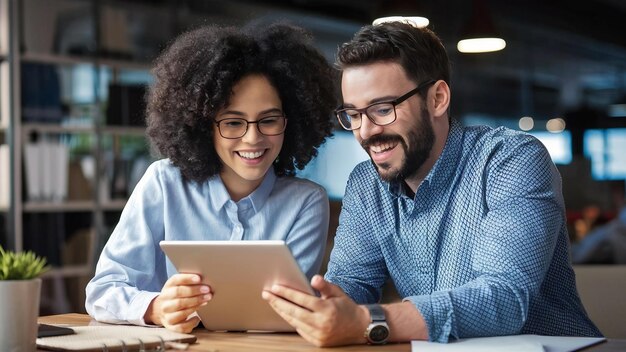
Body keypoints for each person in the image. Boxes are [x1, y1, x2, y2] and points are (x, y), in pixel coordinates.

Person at [262, 21, 602, 346]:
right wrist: (309, 309)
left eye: (382, 109)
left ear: (437, 98)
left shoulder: (511, 160)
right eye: (353, 115)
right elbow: (349, 287)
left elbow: (503, 300)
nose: (365, 132)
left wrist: (369, 322)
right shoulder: (366, 185)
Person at [85, 22, 337, 333]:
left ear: (293, 120)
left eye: (269, 120)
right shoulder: (164, 184)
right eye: (233, 123)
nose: (252, 138)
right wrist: (156, 309)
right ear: (203, 125)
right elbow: (102, 291)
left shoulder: (306, 202)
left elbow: (286, 312)